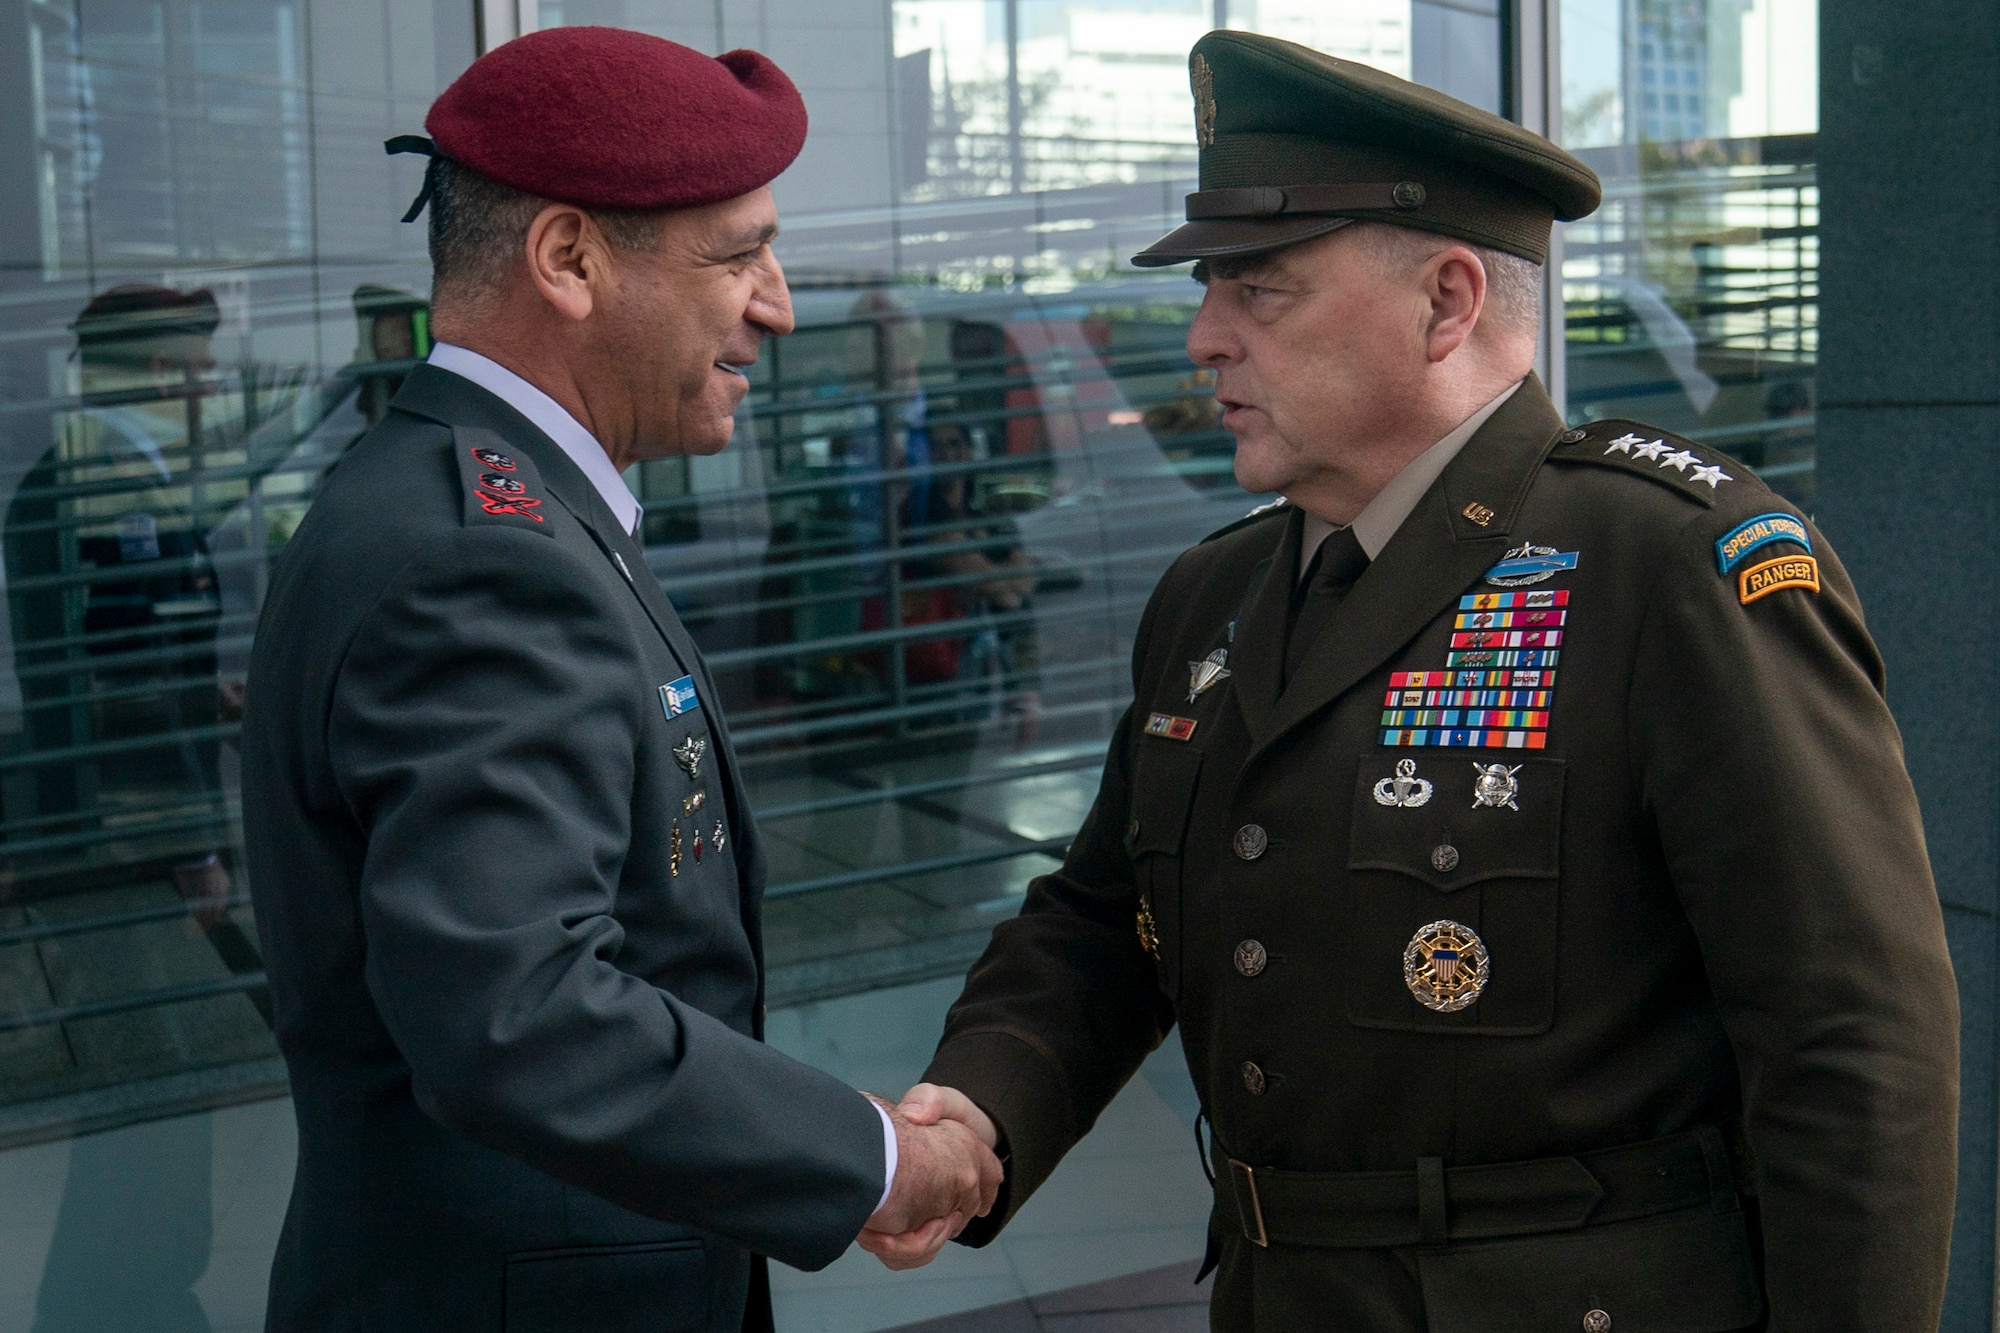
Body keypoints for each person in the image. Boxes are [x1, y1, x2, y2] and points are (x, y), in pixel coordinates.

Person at [869, 29, 1961, 1329]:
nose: (1204, 337)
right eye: (1210, 287)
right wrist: (979, 1104)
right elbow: (1106, 921)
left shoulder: (1667, 572)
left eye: (1258, 289)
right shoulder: (1213, 599)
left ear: (1446, 302)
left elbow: (1852, 1054)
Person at [240, 28, 999, 1332]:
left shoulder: (469, 502)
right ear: (569, 259)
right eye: (737, 254)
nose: (780, 301)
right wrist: (872, 1157)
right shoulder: (482, 559)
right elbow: (520, 1010)